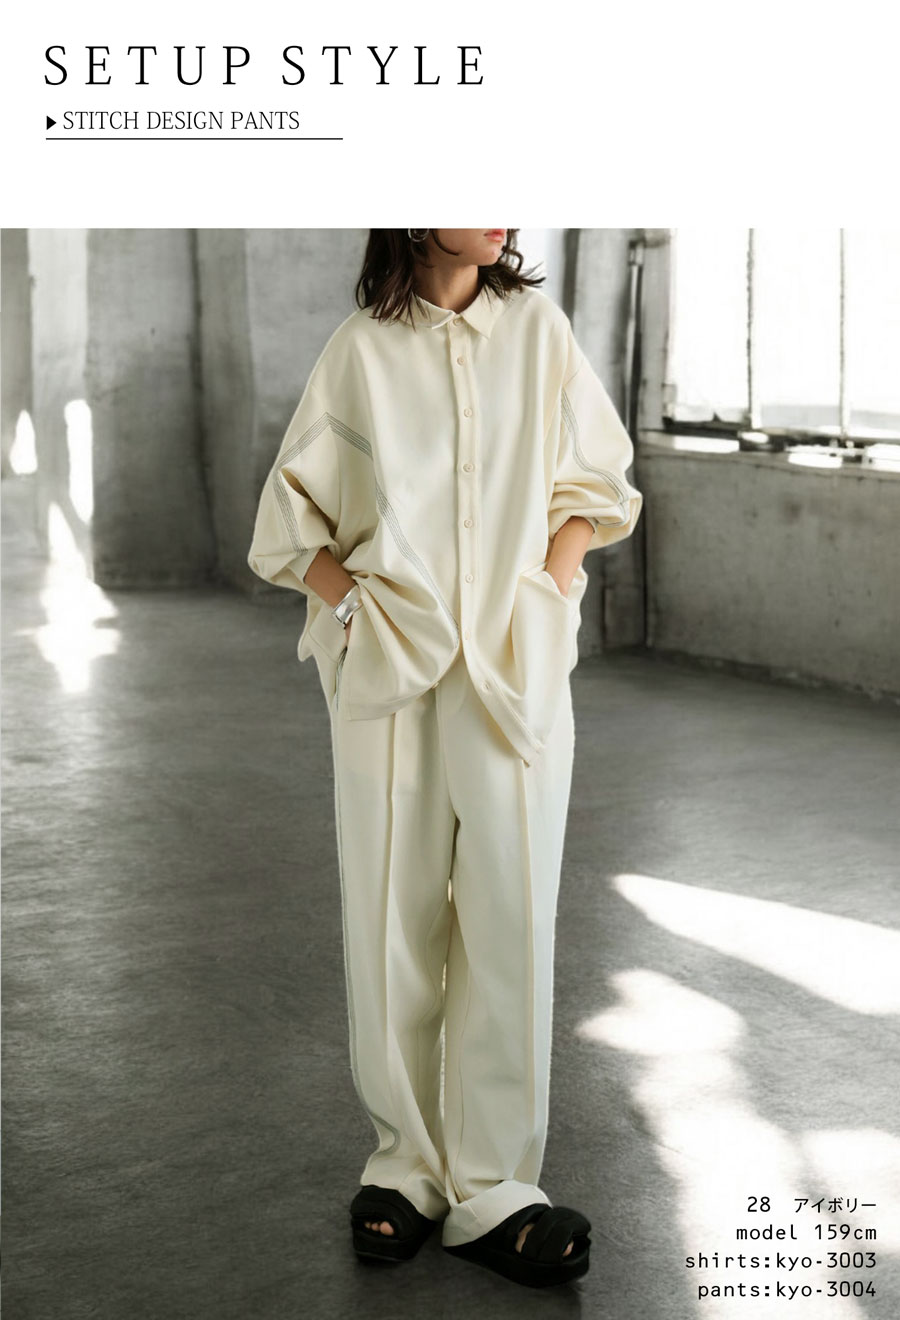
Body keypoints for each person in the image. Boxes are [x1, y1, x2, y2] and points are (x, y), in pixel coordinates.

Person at [247, 229, 643, 1289]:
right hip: (391, 672)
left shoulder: (539, 332)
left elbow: (593, 483)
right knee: (393, 914)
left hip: (514, 666)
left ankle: (497, 1186)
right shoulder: (361, 350)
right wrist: (355, 607)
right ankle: (405, 1168)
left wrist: (550, 589)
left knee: (512, 913)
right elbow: (289, 518)